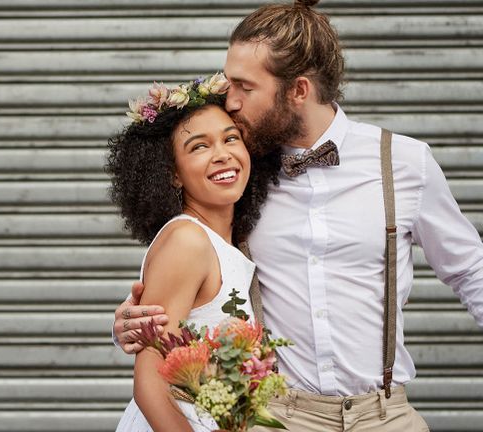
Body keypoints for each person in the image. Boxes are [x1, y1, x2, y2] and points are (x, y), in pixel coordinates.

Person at [112, 0, 483, 431]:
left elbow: (470, 268)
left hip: (386, 414)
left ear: (298, 90)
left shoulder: (403, 162)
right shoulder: (239, 168)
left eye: (244, 87)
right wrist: (131, 321)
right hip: (278, 416)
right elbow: (189, 271)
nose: (229, 101)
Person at [107, 73, 281, 431]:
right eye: (199, 146)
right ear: (173, 174)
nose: (222, 155)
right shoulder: (188, 241)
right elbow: (150, 384)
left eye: (230, 138)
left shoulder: (226, 242)